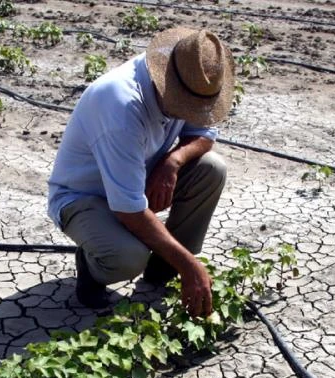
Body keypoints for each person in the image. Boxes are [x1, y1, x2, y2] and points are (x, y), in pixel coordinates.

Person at [47, 27, 235, 318]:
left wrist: (172, 162)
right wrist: (191, 265)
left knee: (211, 169)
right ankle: (91, 270)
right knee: (127, 258)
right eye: (188, 106)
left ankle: (163, 267)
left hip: (138, 178)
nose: (192, 112)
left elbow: (205, 135)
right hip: (85, 197)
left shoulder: (191, 75)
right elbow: (129, 210)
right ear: (168, 85)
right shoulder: (120, 105)